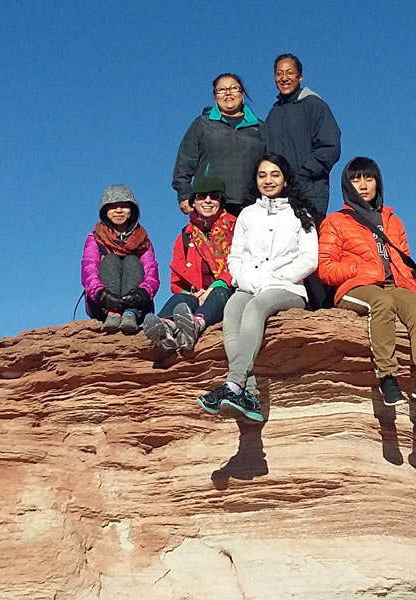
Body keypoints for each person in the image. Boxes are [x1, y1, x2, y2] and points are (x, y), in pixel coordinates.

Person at [318, 157, 416, 407]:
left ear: (378, 182)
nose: (363, 185)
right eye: (356, 179)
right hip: (356, 287)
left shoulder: (393, 220)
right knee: (381, 302)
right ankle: (388, 378)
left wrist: (413, 289)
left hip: (394, 286)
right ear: (347, 185)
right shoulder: (336, 222)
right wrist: (363, 269)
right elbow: (325, 268)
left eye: (369, 178)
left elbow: (404, 260)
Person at [196, 154, 319, 422]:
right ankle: (248, 393)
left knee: (254, 309)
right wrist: (244, 278)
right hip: (249, 283)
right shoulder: (248, 214)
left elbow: (309, 259)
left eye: (274, 174)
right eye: (262, 175)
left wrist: (276, 277)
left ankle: (233, 384)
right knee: (232, 311)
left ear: (285, 179)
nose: (268, 180)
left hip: (286, 288)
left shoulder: (301, 214)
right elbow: (235, 256)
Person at [143, 175, 236, 353]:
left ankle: (194, 325)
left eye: (214, 196)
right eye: (201, 196)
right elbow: (176, 281)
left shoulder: (236, 227)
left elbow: (241, 262)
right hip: (197, 295)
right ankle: (166, 329)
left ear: (221, 201)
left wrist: (216, 285)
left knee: (219, 292)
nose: (208, 201)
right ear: (194, 201)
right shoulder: (185, 237)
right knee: (181, 298)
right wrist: (192, 292)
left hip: (227, 290)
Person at [172, 73, 265, 216]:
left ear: (243, 94)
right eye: (221, 90)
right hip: (211, 203)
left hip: (251, 205)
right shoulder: (202, 124)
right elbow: (183, 165)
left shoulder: (260, 128)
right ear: (215, 97)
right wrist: (184, 195)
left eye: (234, 88)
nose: (228, 93)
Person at [264, 53, 341, 215]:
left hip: (309, 192)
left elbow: (330, 146)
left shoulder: (314, 105)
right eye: (279, 73)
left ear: (300, 77)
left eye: (290, 72)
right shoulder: (273, 114)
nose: (284, 78)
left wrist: (304, 175)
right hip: (278, 195)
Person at [81, 184, 160, 334]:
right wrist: (102, 295)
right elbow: (89, 269)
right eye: (113, 206)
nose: (118, 210)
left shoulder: (142, 239)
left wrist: (142, 293)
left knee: (132, 261)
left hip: (137, 305)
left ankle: (129, 314)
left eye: (124, 206)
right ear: (105, 211)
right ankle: (113, 314)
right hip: (102, 303)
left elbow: (151, 271)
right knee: (111, 259)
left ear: (132, 211)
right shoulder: (95, 237)